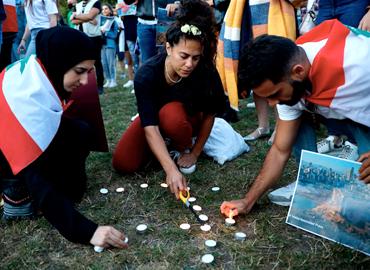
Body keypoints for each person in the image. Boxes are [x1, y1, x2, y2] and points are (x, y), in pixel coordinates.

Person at [220, 19, 370, 218]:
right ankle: (310, 181)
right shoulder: (291, 72)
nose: (273, 103)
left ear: (298, 72)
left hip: (362, 110)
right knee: (294, 116)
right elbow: (280, 149)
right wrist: (248, 201)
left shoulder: (358, 64)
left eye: (275, 94)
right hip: (334, 108)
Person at [0, 27, 128, 249]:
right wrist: (88, 231)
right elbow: (37, 178)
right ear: (58, 62)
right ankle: (16, 194)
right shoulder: (23, 103)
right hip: (11, 162)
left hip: (25, 150)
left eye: (88, 72)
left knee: (80, 131)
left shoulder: (36, 72)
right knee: (47, 183)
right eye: (79, 71)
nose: (85, 82)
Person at [112, 0, 226, 199]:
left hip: (186, 121)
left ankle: (180, 148)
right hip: (155, 122)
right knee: (123, 163)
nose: (189, 64)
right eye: (184, 56)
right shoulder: (146, 74)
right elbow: (149, 125)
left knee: (171, 114)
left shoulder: (206, 70)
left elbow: (210, 114)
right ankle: (163, 149)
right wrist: (170, 170)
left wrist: (194, 153)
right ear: (168, 48)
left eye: (195, 57)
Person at [71, 0, 104, 94]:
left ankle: (100, 86)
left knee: (97, 62)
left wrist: (77, 16)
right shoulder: (78, 5)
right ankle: (86, 86)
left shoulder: (96, 3)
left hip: (94, 37)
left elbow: (91, 18)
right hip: (80, 36)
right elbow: (73, 21)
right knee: (82, 63)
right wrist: (85, 18)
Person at [100, 3, 118, 88]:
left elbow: (115, 35)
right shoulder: (100, 20)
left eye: (106, 8)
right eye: (103, 9)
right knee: (104, 63)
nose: (104, 10)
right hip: (102, 45)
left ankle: (113, 80)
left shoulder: (114, 20)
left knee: (111, 63)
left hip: (110, 44)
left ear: (110, 10)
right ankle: (108, 79)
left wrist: (106, 32)